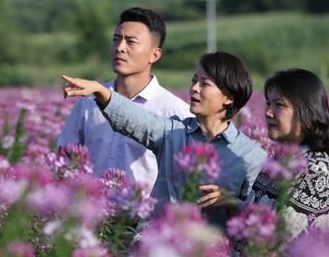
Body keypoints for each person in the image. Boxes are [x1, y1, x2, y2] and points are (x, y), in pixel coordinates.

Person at [62, 51, 266, 229]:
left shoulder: (251, 155)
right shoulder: (173, 132)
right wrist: (102, 92)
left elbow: (259, 217)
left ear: (228, 97)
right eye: (194, 81)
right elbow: (136, 120)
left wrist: (232, 203)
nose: (194, 88)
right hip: (158, 249)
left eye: (205, 84)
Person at [57, 7, 191, 192]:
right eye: (116, 39)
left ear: (155, 54)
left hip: (142, 217)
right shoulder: (88, 100)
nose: (120, 48)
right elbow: (66, 156)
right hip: (91, 212)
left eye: (131, 42)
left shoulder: (174, 111)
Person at [249, 68, 329, 238]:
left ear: (306, 111)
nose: (268, 112)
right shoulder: (278, 159)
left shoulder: (316, 169)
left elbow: (279, 237)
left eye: (279, 105)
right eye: (268, 103)